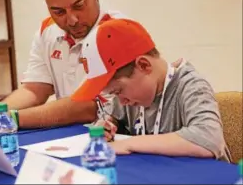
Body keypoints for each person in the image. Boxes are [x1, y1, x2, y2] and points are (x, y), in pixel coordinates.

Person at [0, 0, 127, 132]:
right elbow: (34, 89)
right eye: (59, 12)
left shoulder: (118, 31)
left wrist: (11, 117)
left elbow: (88, 107)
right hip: (69, 135)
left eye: (79, 6)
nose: (72, 20)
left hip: (111, 139)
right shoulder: (47, 30)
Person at [71, 18, 231, 162]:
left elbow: (210, 139)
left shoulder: (192, 86)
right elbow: (109, 114)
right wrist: (106, 125)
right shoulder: (133, 96)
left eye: (118, 91)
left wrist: (129, 144)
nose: (121, 101)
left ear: (144, 65)